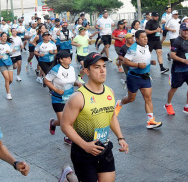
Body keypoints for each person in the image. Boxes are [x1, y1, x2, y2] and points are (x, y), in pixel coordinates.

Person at [61, 52, 129, 182]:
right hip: (83, 151)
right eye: (97, 67)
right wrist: (85, 145)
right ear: (87, 71)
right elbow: (65, 125)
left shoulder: (110, 92)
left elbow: (112, 116)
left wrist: (121, 137)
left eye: (104, 66)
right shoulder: (78, 97)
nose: (103, 70)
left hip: (104, 147)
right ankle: (68, 175)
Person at [114, 30, 162, 128]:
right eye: (143, 37)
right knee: (131, 99)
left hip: (145, 77)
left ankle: (150, 121)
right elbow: (125, 61)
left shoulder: (147, 46)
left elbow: (143, 58)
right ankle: (120, 103)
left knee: (148, 98)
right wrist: (138, 65)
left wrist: (150, 61)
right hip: (134, 77)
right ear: (137, 39)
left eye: (146, 37)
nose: (145, 39)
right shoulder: (133, 48)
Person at [45, 51, 82, 145]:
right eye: (67, 57)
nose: (70, 58)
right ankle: (53, 123)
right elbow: (46, 80)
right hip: (58, 99)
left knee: (71, 120)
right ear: (61, 60)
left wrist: (77, 83)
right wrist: (56, 89)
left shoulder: (72, 68)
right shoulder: (56, 69)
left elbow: (71, 81)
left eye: (70, 57)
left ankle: (68, 137)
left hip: (70, 99)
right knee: (63, 122)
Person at [164, 23, 188, 116]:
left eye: (187, 30)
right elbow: (172, 55)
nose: (186, 32)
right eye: (184, 30)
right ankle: (168, 104)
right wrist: (183, 60)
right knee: (174, 88)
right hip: (178, 70)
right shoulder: (177, 41)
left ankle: (187, 106)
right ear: (180, 31)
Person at [0, 33, 14, 100]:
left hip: (9, 63)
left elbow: (12, 53)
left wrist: (9, 52)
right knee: (7, 78)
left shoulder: (9, 45)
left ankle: (6, 86)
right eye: (3, 36)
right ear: (1, 37)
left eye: (6, 36)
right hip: (2, 64)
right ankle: (8, 94)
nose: (5, 37)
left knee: (11, 79)